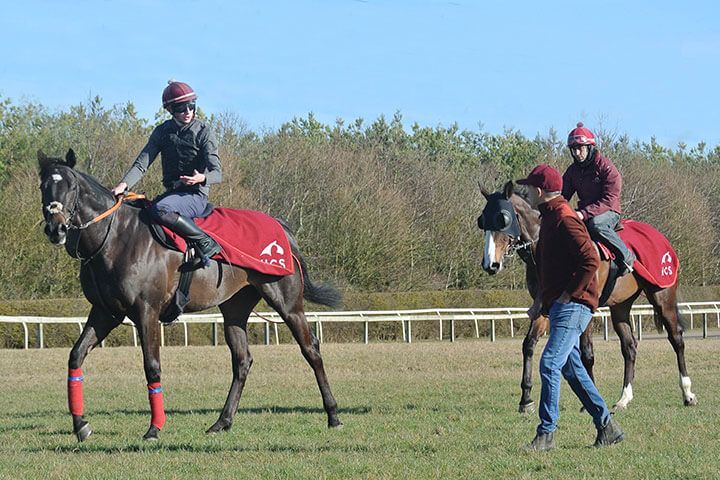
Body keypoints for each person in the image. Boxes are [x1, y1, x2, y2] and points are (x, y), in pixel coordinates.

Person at [518, 164, 624, 451]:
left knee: (550, 363)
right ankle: (607, 426)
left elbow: (590, 259)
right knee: (570, 369)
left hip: (574, 306)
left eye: (528, 187)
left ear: (539, 191)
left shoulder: (565, 218)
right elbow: (550, 270)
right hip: (559, 305)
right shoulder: (550, 218)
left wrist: (569, 295)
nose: (526, 191)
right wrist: (540, 302)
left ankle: (546, 435)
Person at [112, 80, 222, 268]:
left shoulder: (204, 132)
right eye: (181, 107)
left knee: (161, 209)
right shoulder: (162, 132)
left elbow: (218, 173)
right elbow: (141, 164)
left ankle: (205, 241)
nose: (188, 111)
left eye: (191, 106)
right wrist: (123, 185)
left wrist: (201, 178)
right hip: (172, 194)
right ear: (170, 110)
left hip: (195, 195)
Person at [562, 122, 636, 275]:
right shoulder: (572, 171)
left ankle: (626, 256)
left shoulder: (606, 168)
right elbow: (563, 195)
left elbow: (610, 199)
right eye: (573, 149)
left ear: (589, 147)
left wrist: (584, 213)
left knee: (596, 225)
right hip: (585, 211)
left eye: (579, 149)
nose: (576, 153)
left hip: (609, 211)